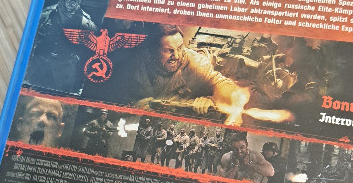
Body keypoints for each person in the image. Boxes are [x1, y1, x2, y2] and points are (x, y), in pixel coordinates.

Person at [90, 24, 245, 118]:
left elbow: (225, 86)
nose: (176, 56)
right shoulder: (134, 64)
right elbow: (108, 97)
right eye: (168, 51)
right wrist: (132, 107)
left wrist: (212, 99)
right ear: (152, 51)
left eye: (180, 48)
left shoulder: (196, 63)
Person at [26, 0, 97, 93]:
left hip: (65, 69)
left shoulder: (87, 24)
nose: (72, 0)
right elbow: (30, 38)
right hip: (40, 65)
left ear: (81, 0)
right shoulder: (46, 15)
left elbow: (90, 52)